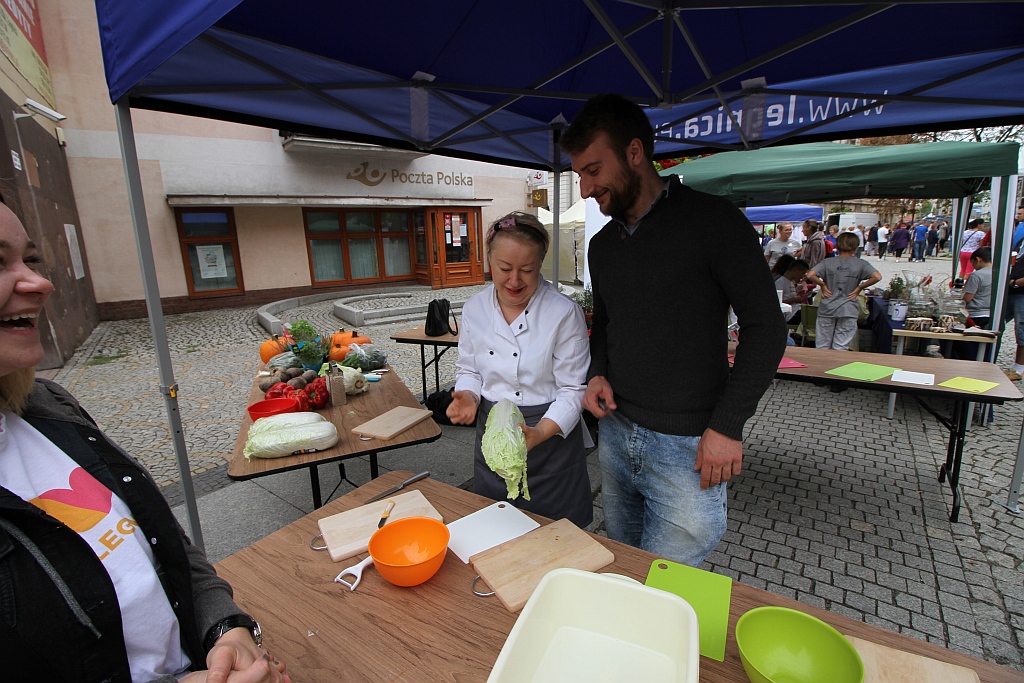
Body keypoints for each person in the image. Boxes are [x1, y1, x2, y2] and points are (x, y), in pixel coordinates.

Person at [0, 203, 290, 683]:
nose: (40, 283)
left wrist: (226, 626)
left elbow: (167, 548)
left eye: (30, 259)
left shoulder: (46, 404)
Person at [560, 93, 787, 566]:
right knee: (625, 563)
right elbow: (605, 322)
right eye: (580, 173)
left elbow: (766, 327)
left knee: (669, 584)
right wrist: (597, 372)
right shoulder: (602, 246)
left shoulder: (714, 222)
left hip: (689, 444)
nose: (584, 188)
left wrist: (727, 426)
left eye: (593, 170)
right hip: (616, 433)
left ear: (636, 153)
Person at [448, 211, 593, 527]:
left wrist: (539, 431)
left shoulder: (563, 313)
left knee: (557, 536)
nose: (514, 280)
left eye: (526, 270)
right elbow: (470, 369)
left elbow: (573, 390)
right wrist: (469, 397)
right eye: (504, 268)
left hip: (550, 435)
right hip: (494, 428)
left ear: (540, 265)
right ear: (489, 261)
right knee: (496, 529)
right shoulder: (474, 308)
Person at [805, 232, 881, 353]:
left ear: (838, 245)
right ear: (856, 246)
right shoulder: (861, 264)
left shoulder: (827, 262)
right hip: (848, 306)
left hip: (828, 306)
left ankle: (820, 369)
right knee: (841, 346)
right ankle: (835, 368)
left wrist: (823, 285)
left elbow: (810, 274)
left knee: (822, 345)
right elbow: (877, 276)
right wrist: (859, 288)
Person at [952, 247, 993, 362]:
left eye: (973, 263)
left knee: (968, 350)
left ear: (978, 259)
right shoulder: (999, 273)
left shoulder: (977, 275)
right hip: (991, 314)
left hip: (975, 314)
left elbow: (968, 298)